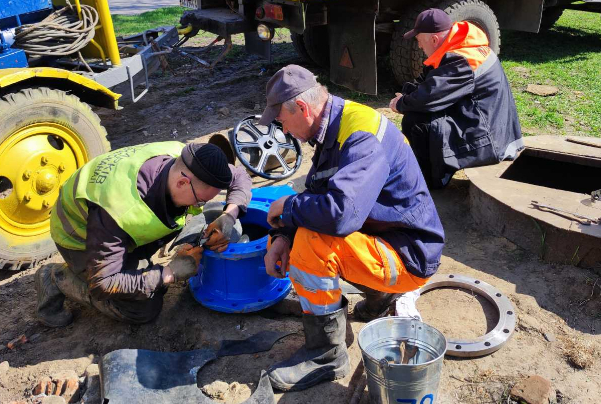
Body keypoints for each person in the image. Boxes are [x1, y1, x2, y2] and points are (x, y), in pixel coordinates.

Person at [259, 65, 445, 392]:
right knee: (303, 230)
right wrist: (283, 235)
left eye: (281, 121)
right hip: (389, 239)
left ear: (301, 108)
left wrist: (288, 210)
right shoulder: (336, 127)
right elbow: (318, 192)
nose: (282, 129)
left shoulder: (361, 137)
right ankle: (381, 296)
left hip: (408, 256)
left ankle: (326, 355)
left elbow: (342, 215)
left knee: (313, 242)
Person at [35, 141, 252, 326]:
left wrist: (229, 215)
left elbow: (239, 175)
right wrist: (169, 273)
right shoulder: (118, 209)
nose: (200, 204)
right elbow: (104, 283)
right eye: (200, 200)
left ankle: (138, 260)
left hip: (119, 231)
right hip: (81, 239)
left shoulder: (189, 159)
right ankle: (57, 278)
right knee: (144, 309)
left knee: (195, 224)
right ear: (182, 182)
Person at [390, 8, 523, 189]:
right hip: (491, 126)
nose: (419, 46)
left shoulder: (461, 61)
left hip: (490, 139)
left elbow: (429, 98)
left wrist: (402, 103)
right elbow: (432, 84)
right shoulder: (462, 47)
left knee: (417, 123)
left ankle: (427, 183)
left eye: (419, 41)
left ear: (434, 39)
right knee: (420, 114)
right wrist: (408, 94)